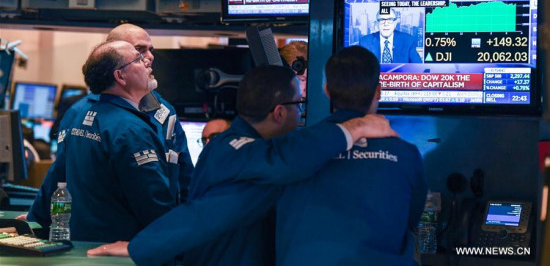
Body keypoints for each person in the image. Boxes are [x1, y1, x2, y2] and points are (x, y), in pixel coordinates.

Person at [88, 65, 398, 265]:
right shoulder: (240, 151)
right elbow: (209, 215)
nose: (301, 115)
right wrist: (355, 128)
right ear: (279, 112)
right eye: (299, 105)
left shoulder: (235, 146)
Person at [23, 23, 193, 228]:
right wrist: (38, 220)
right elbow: (60, 177)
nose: (149, 58)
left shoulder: (165, 112)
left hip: (123, 234)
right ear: (112, 60)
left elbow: (185, 175)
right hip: (127, 237)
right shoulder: (90, 116)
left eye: (150, 50)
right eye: (139, 52)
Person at [276, 46, 427, 266]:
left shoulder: (294, 148)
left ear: (327, 90)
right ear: (378, 91)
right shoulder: (406, 155)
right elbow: (411, 220)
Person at [63, 40, 176, 242]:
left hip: (86, 243)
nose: (148, 62)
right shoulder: (130, 129)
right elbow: (153, 203)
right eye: (138, 59)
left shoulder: (85, 115)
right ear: (120, 76)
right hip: (123, 249)